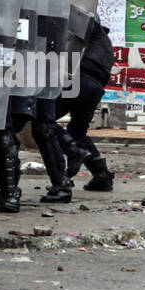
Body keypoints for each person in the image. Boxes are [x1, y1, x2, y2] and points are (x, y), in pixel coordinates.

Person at [56, 15, 115, 191]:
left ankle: (71, 154)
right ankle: (101, 175)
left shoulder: (91, 30)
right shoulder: (105, 43)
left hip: (80, 80)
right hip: (94, 88)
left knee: (43, 121)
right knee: (77, 131)